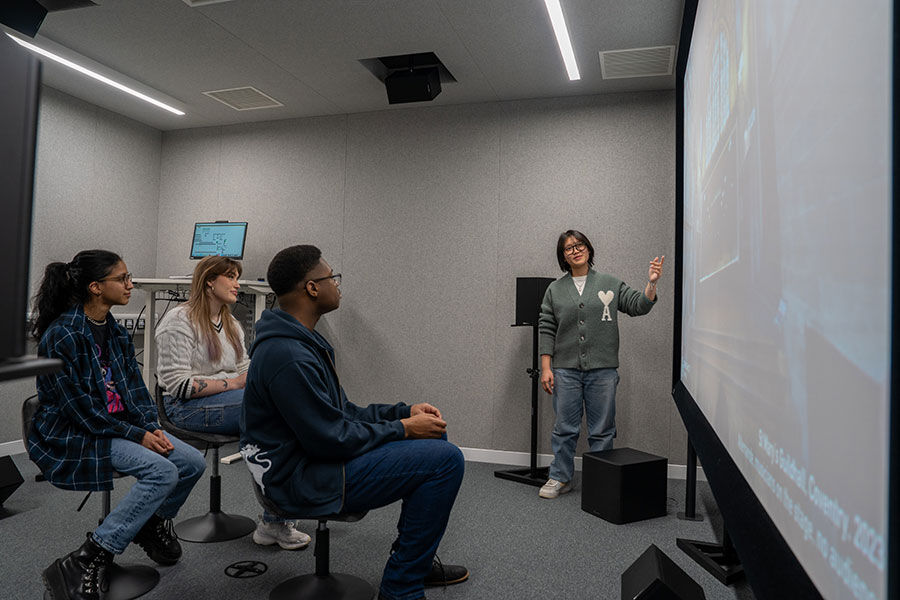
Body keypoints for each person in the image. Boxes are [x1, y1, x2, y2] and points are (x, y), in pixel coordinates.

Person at [240, 245, 468, 600]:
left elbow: (342, 413)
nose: (337, 284)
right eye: (332, 277)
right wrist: (404, 429)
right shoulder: (288, 356)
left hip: (315, 460)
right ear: (312, 288)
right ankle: (400, 588)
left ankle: (415, 565)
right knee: (446, 461)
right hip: (300, 478)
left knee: (437, 438)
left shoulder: (302, 342)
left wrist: (403, 412)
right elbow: (330, 438)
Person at [27, 250, 206, 600]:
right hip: (75, 432)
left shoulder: (115, 332)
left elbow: (135, 391)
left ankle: (148, 523)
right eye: (122, 279)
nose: (130, 284)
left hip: (119, 425)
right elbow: (80, 411)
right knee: (162, 472)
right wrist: (137, 434)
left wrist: (151, 426)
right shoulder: (62, 336)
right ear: (96, 287)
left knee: (190, 463)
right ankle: (87, 557)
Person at [155, 255, 310, 550]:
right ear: (209, 281)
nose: (238, 284)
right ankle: (275, 520)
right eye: (231, 277)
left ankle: (277, 516)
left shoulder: (231, 324)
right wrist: (237, 383)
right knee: (272, 412)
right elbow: (179, 385)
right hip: (183, 408)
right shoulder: (178, 322)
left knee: (283, 407)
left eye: (237, 277)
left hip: (226, 401)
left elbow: (245, 370)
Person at [537, 230, 664, 499]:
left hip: (603, 370)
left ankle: (600, 481)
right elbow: (546, 327)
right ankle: (560, 477)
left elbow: (638, 305)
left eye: (579, 244)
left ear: (589, 249)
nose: (575, 250)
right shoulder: (555, 290)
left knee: (602, 430)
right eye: (568, 248)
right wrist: (546, 367)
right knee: (564, 428)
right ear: (563, 257)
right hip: (566, 369)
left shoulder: (609, 282)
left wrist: (651, 284)